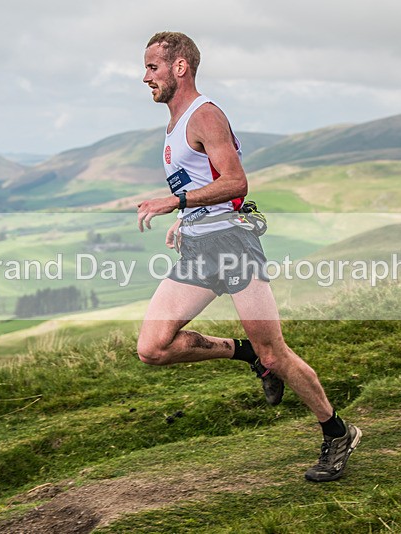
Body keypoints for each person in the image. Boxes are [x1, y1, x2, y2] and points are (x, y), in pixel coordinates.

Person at [136, 31, 360, 482]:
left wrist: (174, 204)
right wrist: (190, 217)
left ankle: (337, 432)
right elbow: (210, 183)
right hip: (202, 247)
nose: (146, 78)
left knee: (276, 353)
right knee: (153, 348)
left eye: (153, 68)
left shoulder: (206, 115)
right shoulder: (176, 122)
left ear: (180, 67)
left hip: (234, 248)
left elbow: (237, 182)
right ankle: (245, 356)